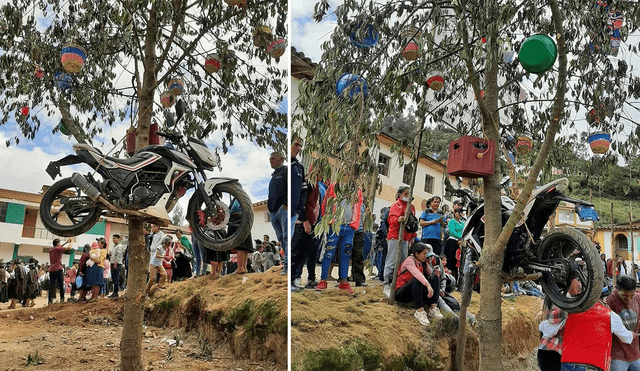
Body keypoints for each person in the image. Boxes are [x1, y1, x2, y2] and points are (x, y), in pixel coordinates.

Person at [561, 281, 639, 371]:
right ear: (604, 297)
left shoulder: (571, 309)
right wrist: (632, 334)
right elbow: (626, 337)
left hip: (567, 364)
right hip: (592, 366)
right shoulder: (610, 315)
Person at [314, 182, 364, 294]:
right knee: (329, 253)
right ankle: (323, 280)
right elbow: (325, 203)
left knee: (346, 254)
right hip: (334, 226)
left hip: (349, 227)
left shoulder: (357, 189)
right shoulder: (334, 186)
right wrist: (327, 220)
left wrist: (355, 223)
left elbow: (358, 207)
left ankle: (344, 282)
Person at [394, 242, 443, 326]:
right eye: (424, 254)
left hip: (415, 292)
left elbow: (431, 274)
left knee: (435, 278)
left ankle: (433, 308)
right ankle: (419, 311)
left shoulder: (423, 262)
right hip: (402, 293)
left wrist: (437, 286)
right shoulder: (409, 261)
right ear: (416, 254)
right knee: (417, 280)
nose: (425, 256)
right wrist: (428, 285)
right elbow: (416, 273)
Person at [383, 186, 418, 293]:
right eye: (406, 193)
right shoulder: (395, 205)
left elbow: (412, 222)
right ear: (400, 194)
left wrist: (412, 236)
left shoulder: (411, 207)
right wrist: (399, 219)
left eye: (409, 194)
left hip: (406, 238)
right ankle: (387, 283)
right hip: (395, 236)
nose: (408, 196)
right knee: (392, 260)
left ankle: (399, 281)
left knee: (403, 261)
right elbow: (391, 220)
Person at [606, 275, 640, 371]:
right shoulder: (611, 299)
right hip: (617, 356)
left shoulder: (637, 298)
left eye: (631, 296)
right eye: (625, 296)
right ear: (617, 290)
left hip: (635, 354)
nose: (629, 299)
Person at [267, 151, 288, 276]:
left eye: (273, 158)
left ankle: (288, 265)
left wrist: (286, 204)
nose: (271, 161)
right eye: (270, 159)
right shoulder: (273, 176)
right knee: (281, 238)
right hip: (273, 212)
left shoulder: (285, 171)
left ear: (281, 159)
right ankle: (285, 264)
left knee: (286, 237)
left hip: (282, 210)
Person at [48, 238, 73, 304]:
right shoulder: (57, 249)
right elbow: (69, 248)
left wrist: (66, 242)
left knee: (51, 285)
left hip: (51, 269)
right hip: (58, 269)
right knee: (61, 285)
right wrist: (71, 242)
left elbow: (60, 247)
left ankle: (50, 300)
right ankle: (62, 298)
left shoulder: (51, 249)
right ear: (57, 244)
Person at [145, 225, 167, 295]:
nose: (153, 228)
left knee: (164, 275)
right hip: (152, 257)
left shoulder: (162, 235)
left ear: (158, 227)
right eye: (152, 227)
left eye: (154, 226)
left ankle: (159, 286)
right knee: (152, 278)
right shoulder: (151, 236)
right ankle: (146, 291)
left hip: (158, 257)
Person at [444, 209, 464, 280]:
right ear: (455, 213)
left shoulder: (463, 223)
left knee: (458, 261)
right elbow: (452, 232)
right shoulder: (452, 221)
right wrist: (460, 237)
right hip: (452, 241)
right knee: (451, 260)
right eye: (459, 212)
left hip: (460, 243)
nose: (460, 214)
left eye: (461, 213)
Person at [109, 234, 125, 298]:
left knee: (116, 279)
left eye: (115, 238)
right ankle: (114, 292)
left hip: (117, 264)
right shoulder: (114, 246)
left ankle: (116, 292)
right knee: (113, 278)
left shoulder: (119, 246)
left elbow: (119, 256)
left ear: (118, 239)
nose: (113, 240)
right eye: (113, 238)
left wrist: (116, 263)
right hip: (113, 263)